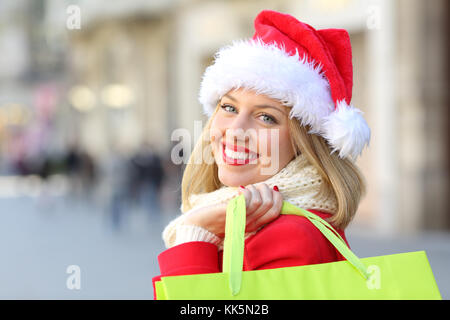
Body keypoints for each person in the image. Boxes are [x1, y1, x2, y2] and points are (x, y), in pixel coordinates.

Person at [152, 9, 370, 299]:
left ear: (302, 144)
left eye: (266, 117)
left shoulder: (289, 236)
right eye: (229, 107)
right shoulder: (245, 219)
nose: (236, 130)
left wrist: (195, 233)